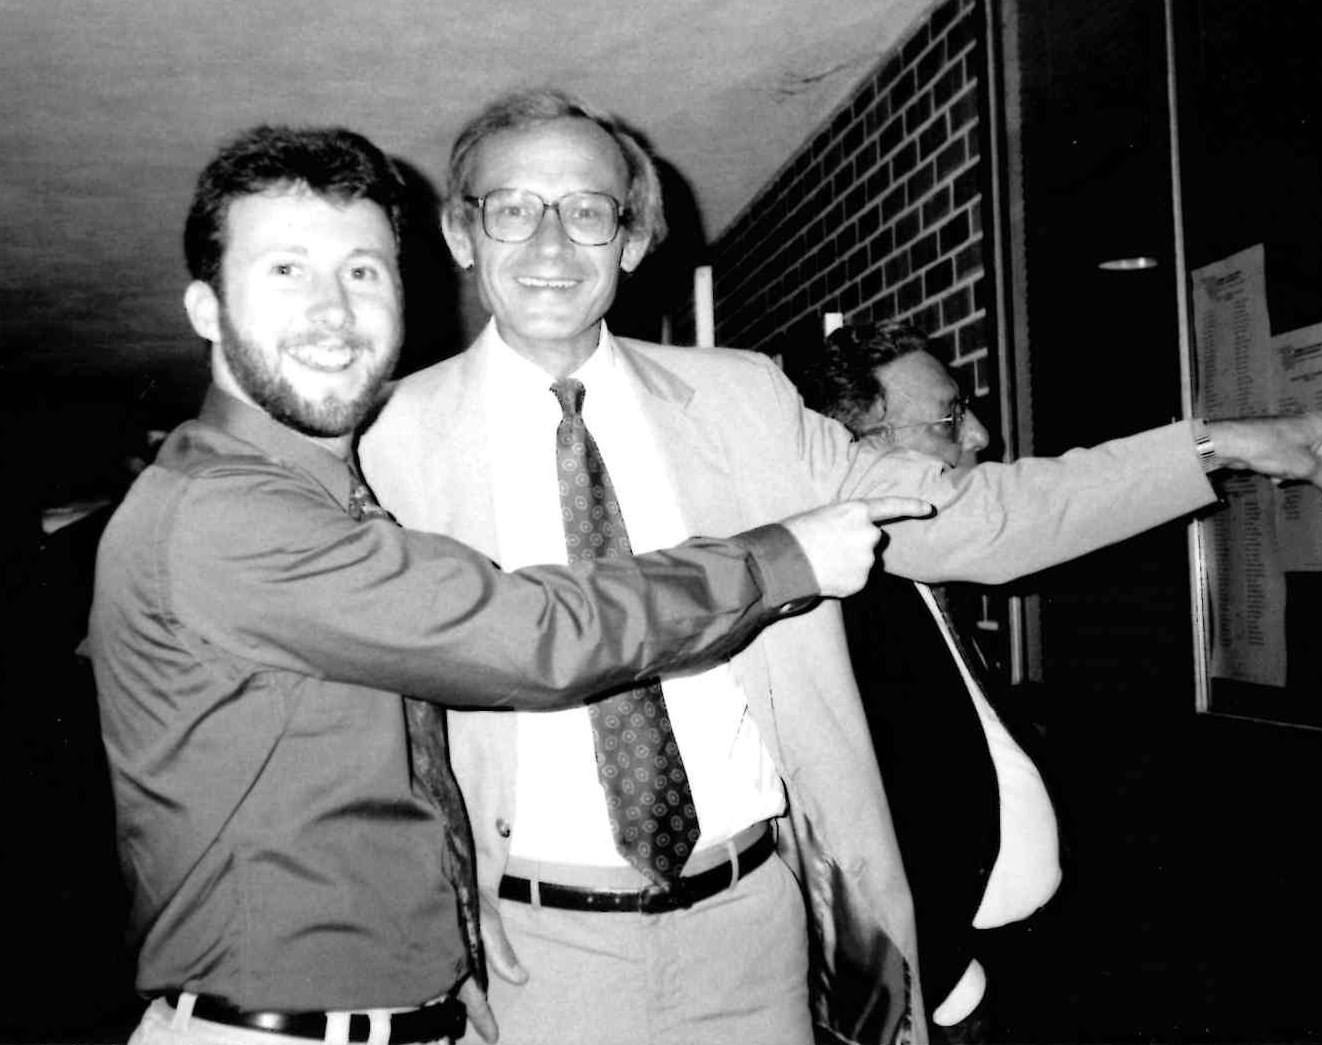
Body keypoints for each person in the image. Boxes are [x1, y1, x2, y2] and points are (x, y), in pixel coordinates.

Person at [359, 87, 1322, 1045]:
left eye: (586, 209)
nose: (548, 242)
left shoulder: (744, 403)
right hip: (528, 945)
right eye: (511, 208)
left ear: (630, 240)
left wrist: (1209, 446)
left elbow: (971, 515)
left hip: (754, 927)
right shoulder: (382, 445)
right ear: (460, 232)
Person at [90, 123, 922, 1045]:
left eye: (362, 271)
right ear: (205, 308)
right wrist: (780, 558)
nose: (333, 309)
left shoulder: (330, 496)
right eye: (286, 270)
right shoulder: (224, 515)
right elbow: (533, 636)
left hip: (448, 1007)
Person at [788, 320, 1061, 1032]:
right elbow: (840, 824)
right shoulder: (840, 610)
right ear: (863, 451)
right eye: (949, 416)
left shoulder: (926, 572)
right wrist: (942, 978)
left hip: (1014, 961)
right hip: (945, 992)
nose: (978, 435)